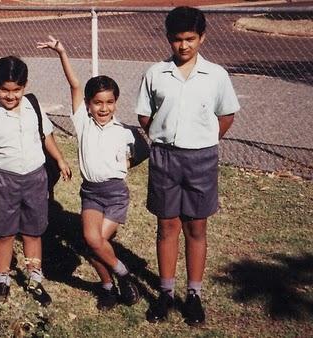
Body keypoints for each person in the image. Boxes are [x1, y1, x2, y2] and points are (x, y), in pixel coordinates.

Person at [135, 7, 240, 325]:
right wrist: (165, 137)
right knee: (167, 226)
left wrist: (203, 141)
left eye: (190, 39)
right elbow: (144, 114)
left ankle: (193, 294)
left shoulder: (217, 75)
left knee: (196, 227)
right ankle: (166, 292)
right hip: (165, 158)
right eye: (177, 40)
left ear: (202, 37)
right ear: (169, 39)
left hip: (201, 159)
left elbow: (226, 116)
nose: (184, 46)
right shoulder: (155, 73)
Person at [37, 36, 140, 311]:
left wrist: (124, 167)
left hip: (115, 194)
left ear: (116, 102)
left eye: (109, 102)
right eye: (97, 102)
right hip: (91, 194)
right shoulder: (83, 122)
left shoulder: (124, 132)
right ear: (88, 104)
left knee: (96, 241)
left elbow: (141, 151)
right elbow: (74, 84)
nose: (103, 108)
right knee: (91, 242)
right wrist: (62, 52)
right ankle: (113, 283)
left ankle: (121, 275)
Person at [0, 56, 72, 311]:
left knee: (33, 231)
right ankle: (2, 280)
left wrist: (59, 159)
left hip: (36, 179)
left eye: (16, 89)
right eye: (5, 89)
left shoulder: (32, 107)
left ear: (24, 86)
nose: (11, 95)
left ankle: (35, 279)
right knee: (5, 233)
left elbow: (46, 136)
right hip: (3, 182)